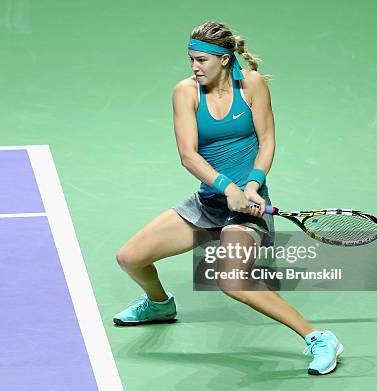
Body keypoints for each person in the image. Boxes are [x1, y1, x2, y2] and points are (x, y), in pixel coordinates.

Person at [113, 21, 343, 375]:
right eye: (191, 59)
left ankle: (319, 338)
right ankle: (159, 305)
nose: (194, 67)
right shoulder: (185, 92)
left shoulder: (252, 85)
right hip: (209, 202)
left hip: (247, 209)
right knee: (129, 258)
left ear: (224, 59)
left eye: (202, 60)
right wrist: (227, 188)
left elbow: (266, 141)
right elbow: (188, 155)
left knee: (232, 280)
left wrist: (251, 185)